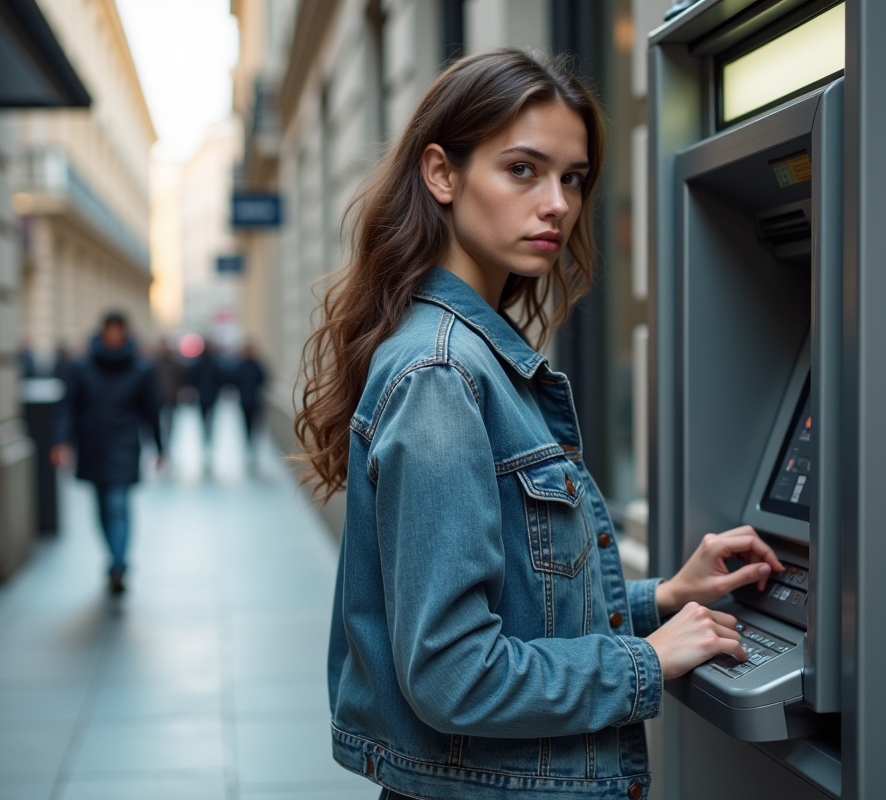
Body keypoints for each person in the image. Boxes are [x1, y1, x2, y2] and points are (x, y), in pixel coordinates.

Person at [294, 50, 784, 800]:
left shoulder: (466, 356)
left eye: (573, 177)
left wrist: (658, 597)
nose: (557, 202)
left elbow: (520, 600)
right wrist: (646, 660)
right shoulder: (443, 374)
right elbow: (455, 674)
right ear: (442, 174)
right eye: (523, 169)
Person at [52, 311, 164, 595]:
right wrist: (61, 441)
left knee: (118, 503)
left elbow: (151, 411)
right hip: (92, 445)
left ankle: (118, 565)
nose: (114, 336)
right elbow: (68, 407)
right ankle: (113, 558)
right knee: (102, 506)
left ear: (125, 334)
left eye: (119, 331)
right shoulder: (81, 367)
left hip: (124, 444)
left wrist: (161, 447)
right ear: (102, 333)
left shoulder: (140, 369)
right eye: (109, 331)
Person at [234, 343, 267, 471]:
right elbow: (235, 380)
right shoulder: (240, 366)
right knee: (246, 424)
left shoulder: (256, 366)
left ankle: (254, 446)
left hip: (255, 401)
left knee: (256, 425)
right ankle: (248, 444)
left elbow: (264, 379)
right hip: (244, 401)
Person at [152, 337, 185, 454]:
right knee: (159, 423)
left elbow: (181, 380)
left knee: (169, 423)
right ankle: (161, 443)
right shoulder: (155, 364)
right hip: (158, 398)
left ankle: (167, 444)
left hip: (171, 398)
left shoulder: (175, 364)